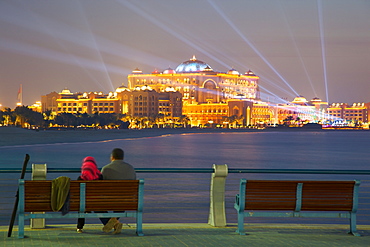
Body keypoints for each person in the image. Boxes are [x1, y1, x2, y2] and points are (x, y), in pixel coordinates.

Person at [100, 148, 136, 234]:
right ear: (123, 157)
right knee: (122, 201)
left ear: (112, 157)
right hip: (127, 200)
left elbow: (102, 186)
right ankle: (115, 222)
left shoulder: (105, 169)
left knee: (96, 206)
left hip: (108, 200)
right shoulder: (130, 168)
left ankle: (112, 223)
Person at [76, 156, 103, 233]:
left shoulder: (80, 178)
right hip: (96, 202)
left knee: (81, 204)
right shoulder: (100, 176)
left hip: (83, 203)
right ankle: (110, 223)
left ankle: (79, 227)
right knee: (99, 206)